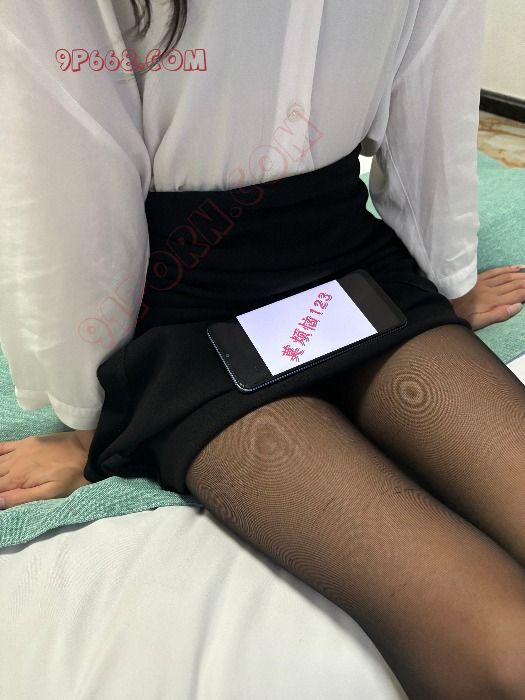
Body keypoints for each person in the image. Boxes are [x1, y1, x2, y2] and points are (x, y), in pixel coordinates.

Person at [1, 1, 525, 697]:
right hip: (176, 308)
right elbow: (66, 158)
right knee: (504, 650)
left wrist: (443, 275)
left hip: (347, 259)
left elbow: (433, 78)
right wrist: (95, 412)